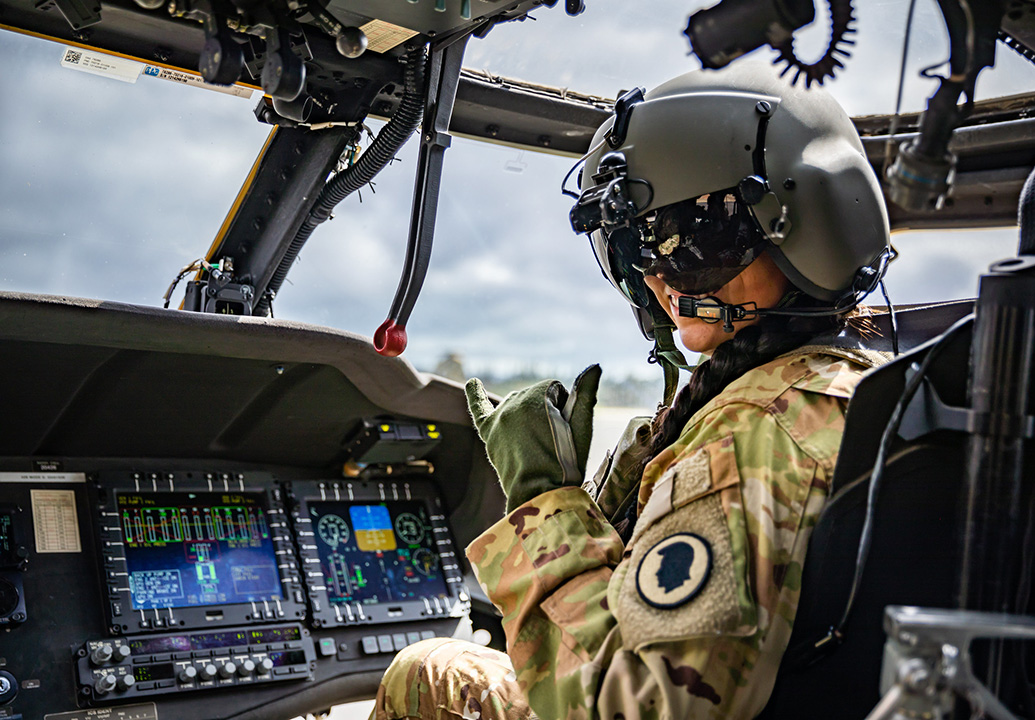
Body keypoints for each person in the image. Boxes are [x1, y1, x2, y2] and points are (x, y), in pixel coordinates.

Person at [372, 62, 893, 720]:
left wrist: (542, 501)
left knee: (430, 672)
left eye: (692, 246)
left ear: (806, 229)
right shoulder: (863, 383)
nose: (661, 282)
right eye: (637, 249)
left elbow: (634, 709)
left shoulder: (750, 436)